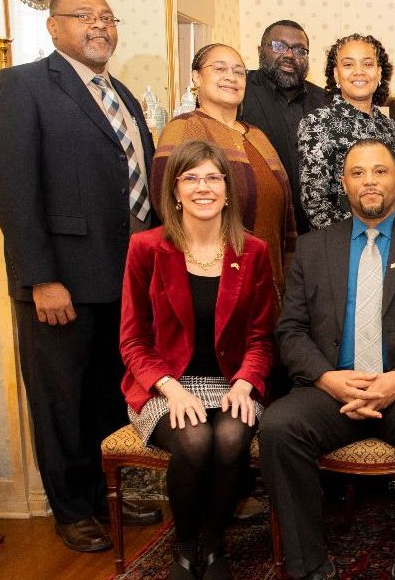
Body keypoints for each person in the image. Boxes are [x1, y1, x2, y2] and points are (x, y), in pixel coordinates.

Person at [0, 0, 162, 552]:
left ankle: (106, 495)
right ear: (53, 26)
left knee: (108, 396)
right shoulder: (22, 86)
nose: (100, 26)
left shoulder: (122, 94)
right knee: (61, 402)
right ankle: (72, 510)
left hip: (121, 278)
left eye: (107, 17)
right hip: (62, 282)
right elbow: (14, 189)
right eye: (84, 16)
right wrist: (41, 278)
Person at [261, 139, 395, 580]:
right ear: (344, 183)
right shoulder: (314, 248)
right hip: (334, 388)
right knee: (279, 426)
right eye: (357, 173)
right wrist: (326, 378)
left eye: (380, 171)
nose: (369, 181)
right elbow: (291, 330)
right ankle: (307, 567)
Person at [119, 140, 276, 580]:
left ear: (227, 191)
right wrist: (170, 388)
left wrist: (245, 382)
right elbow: (132, 340)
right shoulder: (146, 248)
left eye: (212, 178)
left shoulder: (254, 252)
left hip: (231, 382)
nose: (202, 187)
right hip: (163, 384)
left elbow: (262, 338)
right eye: (190, 178)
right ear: (174, 191)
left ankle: (213, 544)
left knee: (230, 437)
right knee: (193, 440)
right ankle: (186, 547)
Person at [152, 43, 297, 292]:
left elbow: (285, 211)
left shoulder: (257, 136)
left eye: (239, 72)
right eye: (220, 69)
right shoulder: (184, 128)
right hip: (211, 282)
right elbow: (165, 203)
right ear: (196, 77)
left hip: (267, 279)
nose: (231, 77)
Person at [298, 33, 395, 230]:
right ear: (336, 74)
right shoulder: (318, 122)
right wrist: (364, 235)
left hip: (390, 236)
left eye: (367, 64)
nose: (359, 72)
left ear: (379, 72)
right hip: (339, 240)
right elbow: (315, 203)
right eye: (348, 64)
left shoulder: (390, 128)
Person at [238, 19, 328, 235]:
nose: (289, 55)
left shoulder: (324, 101)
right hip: (254, 226)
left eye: (299, 49)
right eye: (278, 46)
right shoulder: (239, 93)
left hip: (314, 230)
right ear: (260, 50)